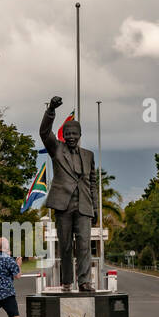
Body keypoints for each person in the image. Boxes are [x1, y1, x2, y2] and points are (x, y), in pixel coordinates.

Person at [39, 95, 99, 291]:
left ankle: (84, 282)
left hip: (83, 206)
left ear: (80, 135)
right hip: (63, 205)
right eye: (68, 134)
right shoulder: (56, 149)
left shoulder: (88, 155)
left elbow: (92, 183)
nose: (72, 137)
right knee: (65, 246)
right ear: (64, 135)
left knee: (84, 246)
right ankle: (67, 282)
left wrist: (95, 208)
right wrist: (51, 111)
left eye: (75, 134)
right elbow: (44, 132)